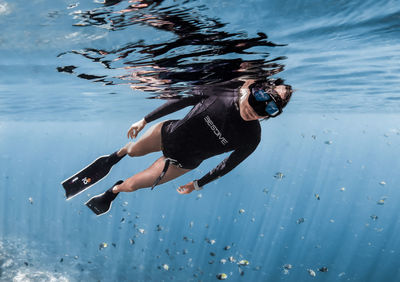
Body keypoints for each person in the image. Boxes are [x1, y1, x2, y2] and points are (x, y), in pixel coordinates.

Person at [63, 79, 293, 215]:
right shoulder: (222, 92)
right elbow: (182, 100)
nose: (252, 112)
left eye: (263, 113)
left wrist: (198, 184)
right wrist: (145, 120)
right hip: (167, 134)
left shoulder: (251, 138)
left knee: (130, 186)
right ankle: (117, 156)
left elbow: (228, 165)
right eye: (254, 104)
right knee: (132, 151)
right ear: (249, 89)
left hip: (180, 163)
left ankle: (111, 192)